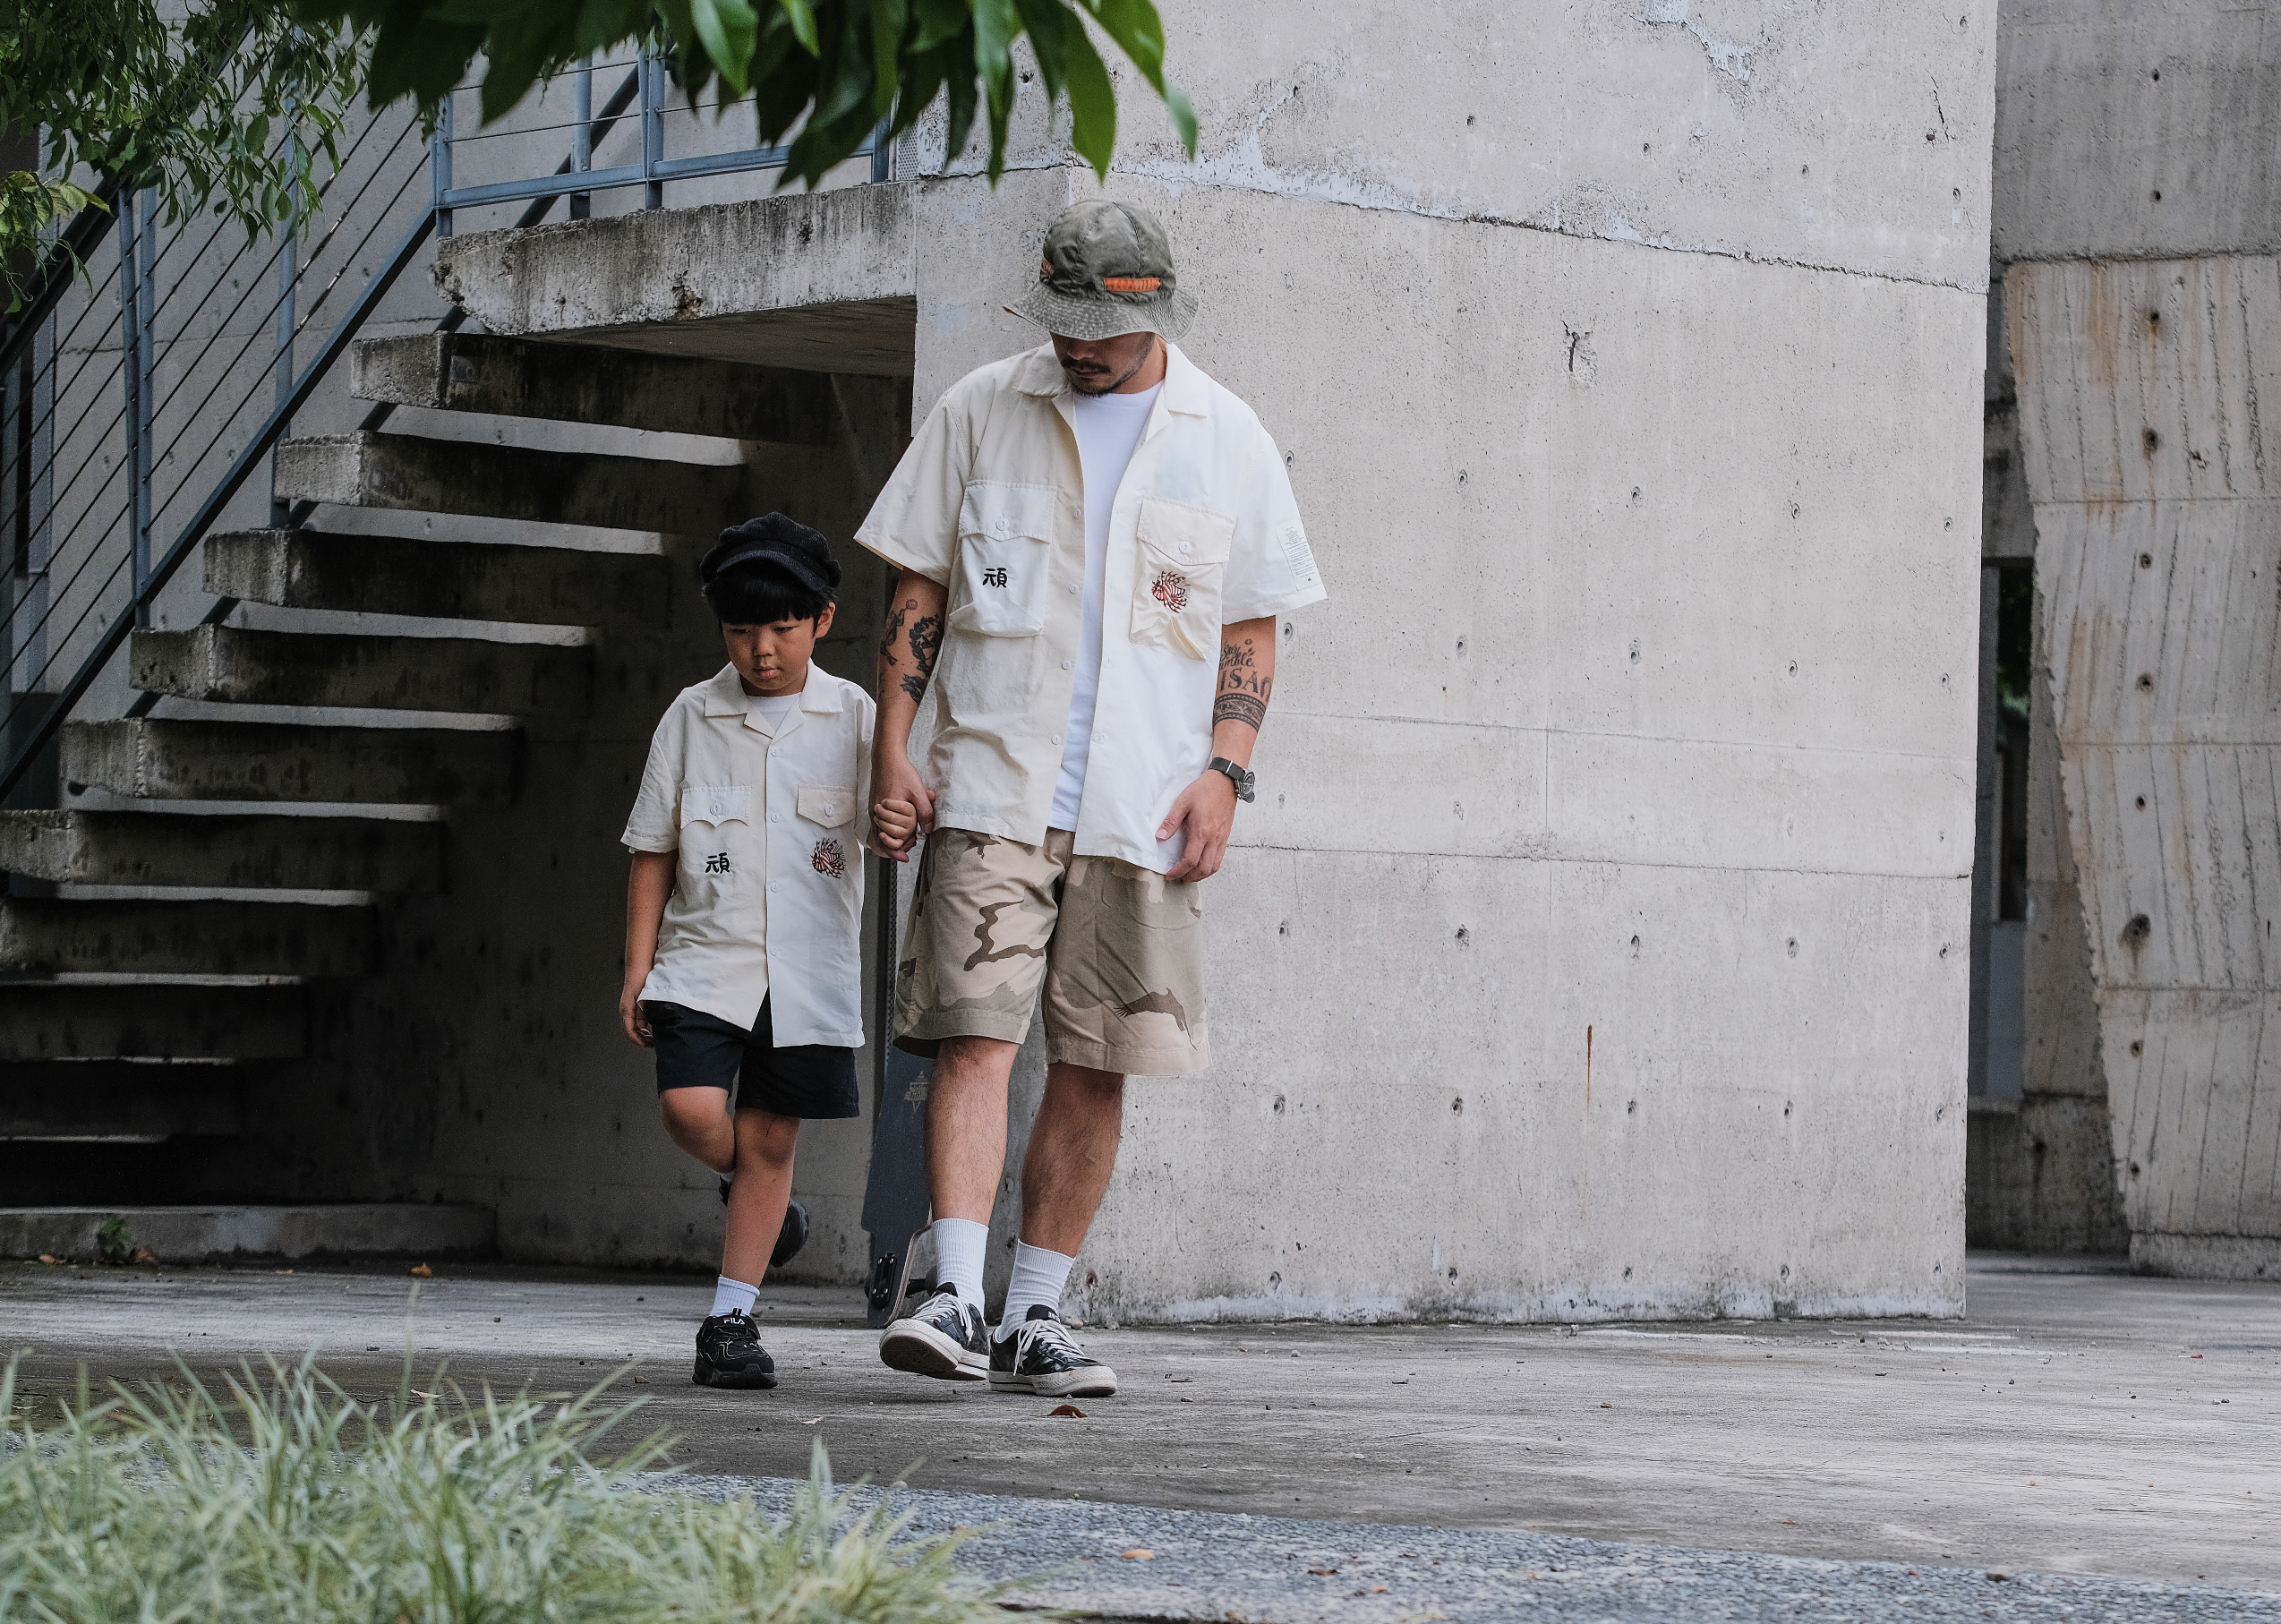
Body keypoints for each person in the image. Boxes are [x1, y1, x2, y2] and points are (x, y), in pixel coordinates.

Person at [857, 200, 1328, 1397]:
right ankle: (955, 1296)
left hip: (1142, 803)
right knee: (974, 1033)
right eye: (1061, 325)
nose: (1077, 349)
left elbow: (1251, 626)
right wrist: (892, 747)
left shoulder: (1227, 436)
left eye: (1100, 334)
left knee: (1099, 1057)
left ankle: (1035, 1313)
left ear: (1153, 313)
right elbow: (918, 588)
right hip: (991, 781)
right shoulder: (982, 408)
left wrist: (1226, 771)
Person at [619, 514, 917, 1389]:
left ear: (822, 620)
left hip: (807, 973)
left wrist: (896, 823)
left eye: (782, 628)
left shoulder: (855, 716)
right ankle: (758, 1191)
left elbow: (892, 823)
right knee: (690, 1108)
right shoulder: (690, 715)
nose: (761, 650)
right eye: (741, 630)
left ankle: (730, 1319)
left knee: (773, 1137)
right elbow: (651, 850)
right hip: (702, 963)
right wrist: (636, 970)